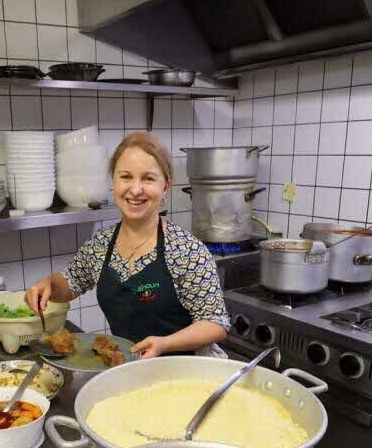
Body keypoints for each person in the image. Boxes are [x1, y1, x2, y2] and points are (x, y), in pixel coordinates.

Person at [25, 132, 230, 357]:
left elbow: (215, 323)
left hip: (187, 372)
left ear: (165, 186)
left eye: (148, 178)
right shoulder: (100, 244)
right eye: (126, 177)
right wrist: (50, 284)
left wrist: (165, 344)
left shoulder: (186, 250)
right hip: (130, 368)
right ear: (114, 181)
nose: (135, 189)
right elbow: (71, 283)